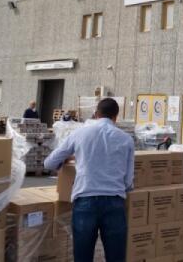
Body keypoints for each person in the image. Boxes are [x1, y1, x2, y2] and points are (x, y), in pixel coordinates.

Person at [44, 98, 134, 262]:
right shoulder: (126, 139)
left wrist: (68, 159)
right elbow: (128, 182)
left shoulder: (79, 134)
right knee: (116, 257)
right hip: (114, 203)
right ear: (116, 116)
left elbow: (49, 163)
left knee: (83, 257)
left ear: (96, 114)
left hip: (85, 201)